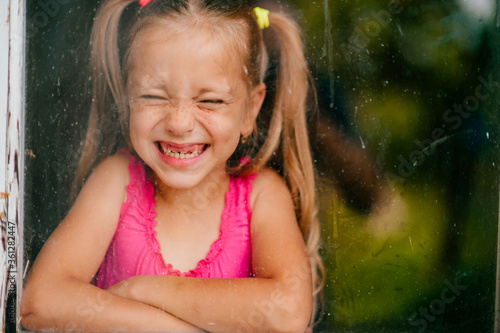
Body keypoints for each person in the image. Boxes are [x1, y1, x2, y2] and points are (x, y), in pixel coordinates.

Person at [21, 0, 324, 331]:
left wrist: (140, 290)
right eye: (153, 96)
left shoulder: (260, 197)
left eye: (210, 101)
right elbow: (40, 302)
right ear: (127, 97)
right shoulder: (118, 182)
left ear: (251, 110)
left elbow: (288, 312)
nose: (179, 124)